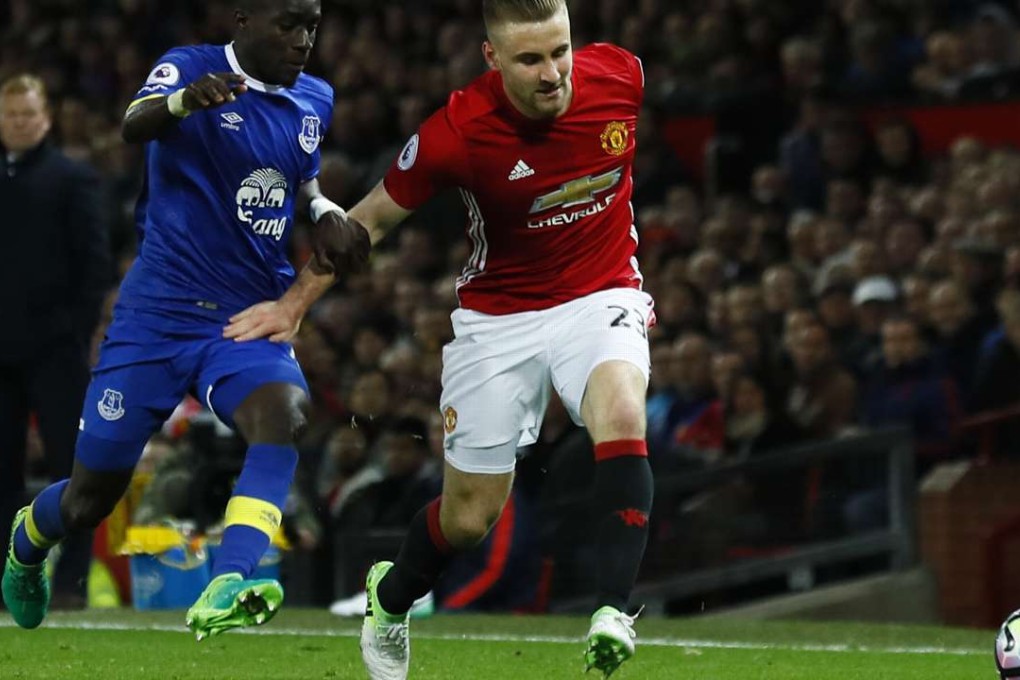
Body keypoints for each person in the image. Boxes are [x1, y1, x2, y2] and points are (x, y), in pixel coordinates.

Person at [225, 0, 654, 676]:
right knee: (467, 519)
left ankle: (612, 610)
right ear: (493, 59)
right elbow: (369, 219)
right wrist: (294, 303)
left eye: (560, 52)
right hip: (498, 319)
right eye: (531, 60)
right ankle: (389, 598)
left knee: (623, 413)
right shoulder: (458, 130)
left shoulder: (621, 77)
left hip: (600, 294)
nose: (553, 74)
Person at [1, 0, 369, 640]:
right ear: (244, 19)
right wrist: (182, 104)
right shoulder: (188, 68)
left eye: (312, 25)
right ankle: (29, 539)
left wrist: (324, 210)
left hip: (245, 313)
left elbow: (300, 180)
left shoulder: (315, 97)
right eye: (289, 24)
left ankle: (232, 579)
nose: (304, 39)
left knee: (283, 414)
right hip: (157, 315)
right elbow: (133, 125)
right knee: (91, 496)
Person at [0, 73, 111, 609]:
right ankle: (9, 579)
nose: (19, 123)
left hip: (56, 351)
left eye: (28, 114)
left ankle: (72, 580)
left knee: (76, 469)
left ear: (45, 117)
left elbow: (96, 264)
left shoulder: (72, 178)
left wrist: (74, 329)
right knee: (3, 470)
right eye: (11, 115)